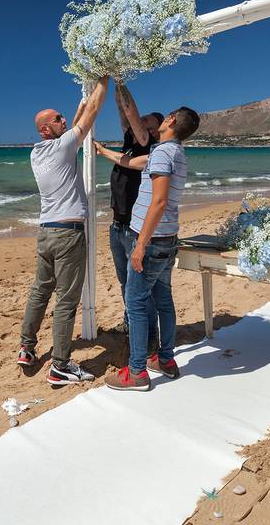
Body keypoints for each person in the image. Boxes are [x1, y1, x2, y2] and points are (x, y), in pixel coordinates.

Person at [17, 77, 109, 386]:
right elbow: (93, 111)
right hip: (68, 234)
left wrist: (78, 107)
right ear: (46, 128)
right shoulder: (62, 148)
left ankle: (27, 348)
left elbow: (71, 129)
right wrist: (104, 78)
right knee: (66, 300)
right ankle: (60, 366)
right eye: (58, 119)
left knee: (39, 291)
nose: (64, 120)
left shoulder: (38, 153)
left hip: (46, 232)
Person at [104, 106, 200, 392]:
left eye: (166, 115)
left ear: (170, 121)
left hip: (152, 241)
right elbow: (133, 163)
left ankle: (136, 373)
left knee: (135, 304)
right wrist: (101, 151)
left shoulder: (163, 153)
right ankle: (165, 360)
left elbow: (158, 202)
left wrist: (141, 244)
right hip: (168, 238)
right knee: (163, 301)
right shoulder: (175, 153)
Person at [96, 82, 163, 348]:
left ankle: (147, 337)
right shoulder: (130, 141)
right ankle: (130, 323)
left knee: (138, 288)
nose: (141, 119)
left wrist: (122, 81)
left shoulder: (148, 146)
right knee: (125, 282)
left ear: (153, 130)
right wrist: (114, 81)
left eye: (148, 120)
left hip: (133, 229)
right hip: (117, 225)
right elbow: (123, 111)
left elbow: (130, 112)